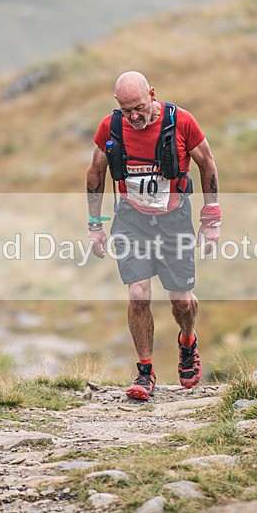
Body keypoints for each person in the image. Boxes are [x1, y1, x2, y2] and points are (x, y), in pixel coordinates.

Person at [86, 71, 221, 400]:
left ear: (152, 94)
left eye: (140, 107)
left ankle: (187, 341)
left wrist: (211, 218)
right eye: (127, 109)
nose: (134, 116)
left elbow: (208, 165)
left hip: (174, 220)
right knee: (138, 294)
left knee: (181, 300)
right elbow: (95, 172)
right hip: (131, 219)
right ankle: (145, 372)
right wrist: (95, 225)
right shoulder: (111, 127)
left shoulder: (182, 122)